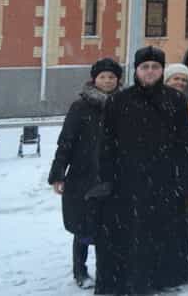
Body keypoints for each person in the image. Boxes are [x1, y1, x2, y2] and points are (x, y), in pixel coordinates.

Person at [94, 46, 188, 294]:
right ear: (137, 70)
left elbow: (184, 141)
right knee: (131, 234)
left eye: (155, 67)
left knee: (162, 231)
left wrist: (183, 175)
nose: (150, 71)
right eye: (145, 67)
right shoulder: (119, 100)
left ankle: (161, 277)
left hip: (164, 180)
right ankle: (133, 280)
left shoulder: (176, 99)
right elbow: (106, 142)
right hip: (127, 181)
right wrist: (107, 178)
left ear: (162, 70)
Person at [49, 58, 122, 288]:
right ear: (95, 79)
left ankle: (108, 270)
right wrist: (58, 173)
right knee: (83, 226)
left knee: (110, 226)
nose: (107, 81)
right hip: (84, 175)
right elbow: (66, 141)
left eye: (112, 77)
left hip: (113, 175)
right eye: (103, 77)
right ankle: (80, 270)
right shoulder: (80, 106)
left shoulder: (124, 104)